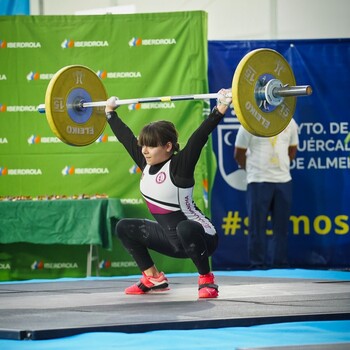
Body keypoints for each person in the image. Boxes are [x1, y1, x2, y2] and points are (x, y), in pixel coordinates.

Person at [105, 89, 232, 298]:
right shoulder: (145, 162)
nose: (145, 150)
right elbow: (125, 138)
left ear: (168, 146)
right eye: (143, 145)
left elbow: (199, 137)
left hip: (202, 237)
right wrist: (110, 113)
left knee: (185, 226)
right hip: (172, 241)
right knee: (124, 227)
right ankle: (153, 277)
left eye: (151, 146)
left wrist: (220, 108)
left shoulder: (179, 165)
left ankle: (206, 279)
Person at [234, 120, 299, 269]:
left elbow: (293, 149)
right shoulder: (249, 122)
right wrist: (252, 170)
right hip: (258, 180)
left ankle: (280, 264)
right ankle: (257, 264)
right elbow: (239, 153)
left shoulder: (289, 122)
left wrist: (281, 167)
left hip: (283, 180)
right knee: (257, 227)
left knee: (281, 227)